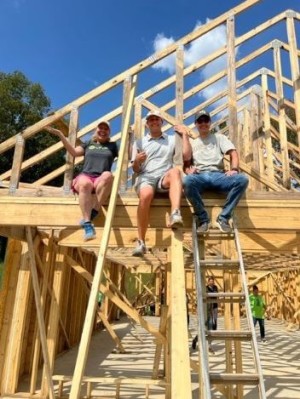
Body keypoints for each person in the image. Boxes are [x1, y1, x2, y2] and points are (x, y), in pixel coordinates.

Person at [175, 109, 249, 234]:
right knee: (187, 180)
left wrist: (234, 169)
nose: (203, 123)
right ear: (196, 124)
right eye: (200, 121)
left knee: (242, 179)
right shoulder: (193, 143)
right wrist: (189, 170)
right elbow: (186, 164)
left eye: (206, 120)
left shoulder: (219, 138)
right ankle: (203, 219)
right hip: (200, 176)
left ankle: (224, 218)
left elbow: (233, 153)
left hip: (218, 175)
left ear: (210, 122)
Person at [45, 121, 118, 241]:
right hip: (86, 176)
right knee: (84, 183)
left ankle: (95, 210)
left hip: (101, 180)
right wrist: (60, 135)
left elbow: (127, 155)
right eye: (101, 128)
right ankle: (88, 224)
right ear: (96, 130)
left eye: (106, 129)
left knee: (108, 175)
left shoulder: (113, 146)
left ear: (109, 132)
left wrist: (130, 138)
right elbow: (73, 152)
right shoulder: (88, 143)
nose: (103, 131)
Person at [131, 110, 189, 257]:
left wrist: (185, 135)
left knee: (176, 172)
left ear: (161, 122)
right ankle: (141, 241)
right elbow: (136, 170)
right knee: (146, 195)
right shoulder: (139, 143)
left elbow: (186, 156)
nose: (154, 122)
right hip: (146, 177)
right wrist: (137, 160)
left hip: (164, 176)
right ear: (147, 124)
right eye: (151, 120)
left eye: (157, 119)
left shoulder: (171, 140)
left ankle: (175, 214)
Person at [192, 276, 218, 352]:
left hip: (214, 309)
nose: (212, 282)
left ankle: (209, 345)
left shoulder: (215, 287)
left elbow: (216, 296)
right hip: (207, 310)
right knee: (206, 328)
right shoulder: (206, 288)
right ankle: (196, 340)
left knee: (214, 328)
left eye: (212, 281)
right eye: (210, 281)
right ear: (208, 281)